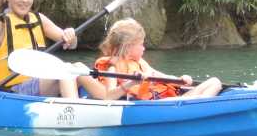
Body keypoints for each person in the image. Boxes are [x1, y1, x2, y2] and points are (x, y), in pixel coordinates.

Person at [77, 17, 222, 100]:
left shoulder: (141, 63)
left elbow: (163, 77)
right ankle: (196, 110)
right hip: (155, 106)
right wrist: (130, 83)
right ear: (127, 47)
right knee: (211, 86)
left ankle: (196, 108)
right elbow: (109, 96)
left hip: (167, 101)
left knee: (215, 82)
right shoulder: (112, 68)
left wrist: (181, 79)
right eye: (141, 44)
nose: (144, 48)